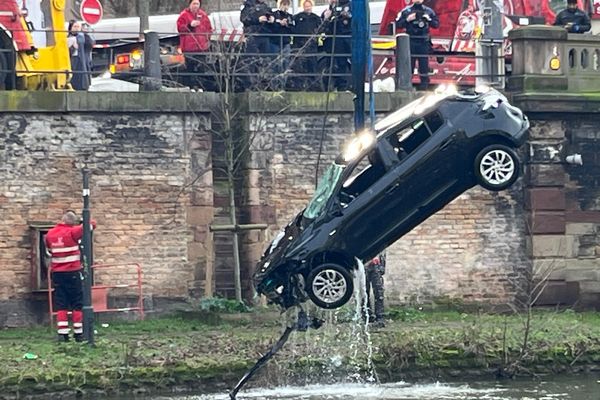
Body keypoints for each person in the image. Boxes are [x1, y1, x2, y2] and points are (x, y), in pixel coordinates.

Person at [45, 211, 96, 342]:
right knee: (77, 303)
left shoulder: (50, 234)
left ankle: (63, 333)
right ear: (72, 222)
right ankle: (78, 333)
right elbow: (91, 225)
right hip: (72, 272)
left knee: (61, 303)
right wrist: (84, 219)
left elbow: (49, 251)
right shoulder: (73, 232)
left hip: (57, 274)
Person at [395, 0, 439, 90]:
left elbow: (436, 24)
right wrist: (407, 20)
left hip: (423, 41)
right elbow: (398, 24)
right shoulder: (406, 11)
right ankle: (406, 86)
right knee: (409, 65)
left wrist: (428, 20)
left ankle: (424, 86)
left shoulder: (429, 11)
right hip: (410, 41)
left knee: (424, 66)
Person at [177, 0, 213, 90]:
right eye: (194, 3)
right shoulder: (184, 15)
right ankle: (191, 87)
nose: (196, 6)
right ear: (190, 4)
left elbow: (209, 29)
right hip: (189, 48)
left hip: (201, 48)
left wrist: (206, 40)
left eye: (197, 4)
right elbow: (180, 28)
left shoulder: (203, 15)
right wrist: (189, 25)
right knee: (190, 68)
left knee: (201, 68)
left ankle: (200, 87)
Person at [240, 0, 274, 89]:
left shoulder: (266, 7)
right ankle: (251, 85)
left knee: (265, 61)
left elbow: (272, 16)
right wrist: (257, 19)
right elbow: (244, 18)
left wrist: (272, 19)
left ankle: (264, 85)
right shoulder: (248, 6)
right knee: (251, 61)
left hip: (265, 35)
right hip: (253, 36)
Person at [321, 0, 352, 91]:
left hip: (348, 36)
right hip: (335, 38)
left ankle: (352, 85)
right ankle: (339, 85)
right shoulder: (331, 7)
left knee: (350, 62)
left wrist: (347, 15)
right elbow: (324, 24)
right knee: (338, 62)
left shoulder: (350, 4)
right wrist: (327, 16)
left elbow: (355, 19)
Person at [292, 0, 322, 90]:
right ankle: (300, 86)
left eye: (309, 6)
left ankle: (313, 87)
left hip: (312, 45)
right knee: (300, 66)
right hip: (300, 45)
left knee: (312, 66)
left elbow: (321, 29)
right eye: (306, 6)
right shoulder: (297, 17)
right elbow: (293, 29)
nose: (308, 8)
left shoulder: (316, 18)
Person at [67, 20, 90, 91]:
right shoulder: (68, 37)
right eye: (75, 26)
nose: (76, 28)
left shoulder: (82, 36)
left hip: (81, 59)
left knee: (82, 77)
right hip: (73, 60)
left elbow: (89, 45)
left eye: (78, 27)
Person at [364, 252, 386, 328]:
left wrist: (381, 266)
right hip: (364, 264)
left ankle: (380, 318)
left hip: (376, 265)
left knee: (378, 292)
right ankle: (367, 316)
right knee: (364, 293)